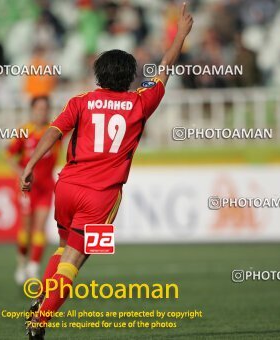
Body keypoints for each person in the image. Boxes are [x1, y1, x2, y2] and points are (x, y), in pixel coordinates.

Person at [20, 3, 193, 339]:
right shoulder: (140, 102)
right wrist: (181, 35)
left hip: (66, 187)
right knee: (76, 261)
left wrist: (30, 163)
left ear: (99, 75)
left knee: (63, 246)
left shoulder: (80, 101)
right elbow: (165, 68)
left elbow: (54, 132)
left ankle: (42, 297)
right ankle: (39, 322)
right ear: (129, 77)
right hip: (101, 196)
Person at [6, 96, 60, 285]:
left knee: (40, 226)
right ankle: (21, 263)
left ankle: (34, 265)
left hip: (46, 186)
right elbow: (10, 156)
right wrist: (21, 172)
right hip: (27, 189)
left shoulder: (55, 130)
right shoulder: (23, 132)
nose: (42, 112)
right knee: (26, 229)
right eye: (38, 109)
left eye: (45, 109)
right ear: (32, 110)